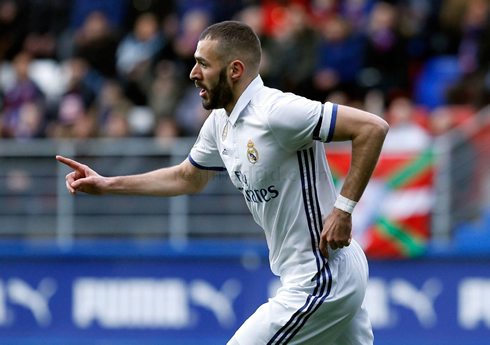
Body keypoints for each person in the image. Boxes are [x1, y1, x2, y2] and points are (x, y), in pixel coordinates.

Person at [57, 21, 388, 345]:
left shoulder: (276, 111)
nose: (193, 73)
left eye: (203, 64)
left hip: (321, 276)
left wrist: (343, 210)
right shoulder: (221, 122)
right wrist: (107, 183)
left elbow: (372, 128)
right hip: (323, 271)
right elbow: (187, 177)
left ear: (235, 70)